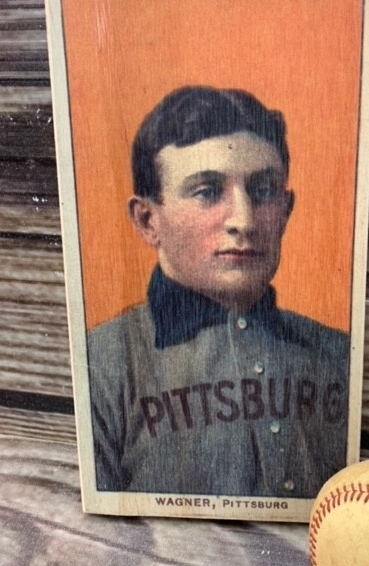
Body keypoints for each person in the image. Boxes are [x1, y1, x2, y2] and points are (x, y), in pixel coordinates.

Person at [87, 85, 350, 498]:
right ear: (147, 220)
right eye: (207, 192)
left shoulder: (341, 355)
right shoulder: (100, 366)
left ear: (286, 211)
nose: (243, 220)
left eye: (263, 190)